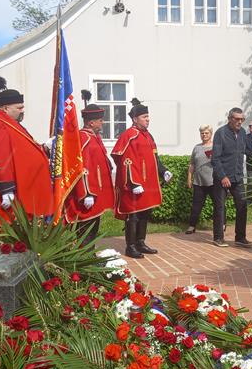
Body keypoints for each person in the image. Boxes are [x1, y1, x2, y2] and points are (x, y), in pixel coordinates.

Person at [0, 78, 54, 226]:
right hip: (11, 190)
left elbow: (23, 150)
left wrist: (44, 148)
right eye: (19, 108)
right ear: (6, 108)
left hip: (24, 187)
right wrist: (5, 188)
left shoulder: (12, 124)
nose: (22, 110)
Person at [111, 99, 172, 258]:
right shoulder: (129, 135)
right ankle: (130, 246)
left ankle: (140, 242)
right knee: (134, 214)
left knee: (145, 213)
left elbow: (154, 157)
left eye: (148, 116)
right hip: (134, 185)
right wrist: (133, 182)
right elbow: (125, 160)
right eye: (144, 117)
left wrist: (163, 171)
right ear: (135, 119)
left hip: (148, 183)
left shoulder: (148, 136)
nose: (148, 119)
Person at [64, 103, 115, 247]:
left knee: (93, 227)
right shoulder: (84, 138)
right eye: (100, 120)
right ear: (91, 122)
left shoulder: (93, 137)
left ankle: (89, 256)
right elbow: (82, 168)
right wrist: (86, 193)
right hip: (88, 193)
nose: (102, 122)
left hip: (95, 191)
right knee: (86, 229)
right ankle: (85, 260)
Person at [211, 107, 251, 248]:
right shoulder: (220, 133)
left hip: (237, 177)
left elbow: (243, 153)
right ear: (230, 119)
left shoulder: (243, 133)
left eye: (242, 119)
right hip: (222, 177)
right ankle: (218, 238)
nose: (240, 122)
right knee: (220, 207)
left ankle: (240, 237)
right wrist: (223, 176)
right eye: (237, 119)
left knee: (242, 205)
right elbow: (215, 158)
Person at [185, 124, 214, 235]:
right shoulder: (197, 147)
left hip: (213, 181)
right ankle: (192, 226)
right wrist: (189, 178)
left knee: (218, 204)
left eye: (206, 133)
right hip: (199, 182)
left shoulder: (216, 146)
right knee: (196, 205)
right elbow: (192, 164)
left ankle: (222, 224)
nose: (204, 135)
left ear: (211, 134)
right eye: (202, 133)